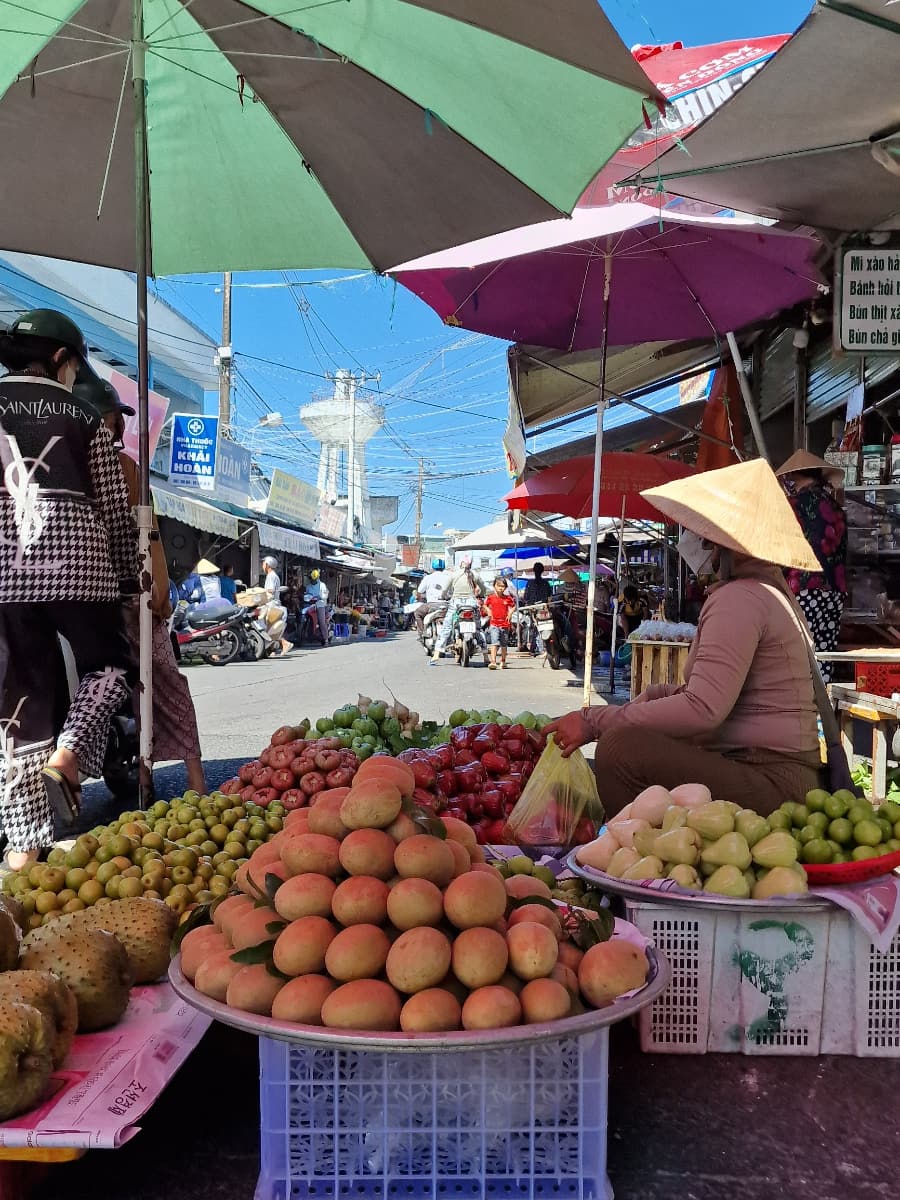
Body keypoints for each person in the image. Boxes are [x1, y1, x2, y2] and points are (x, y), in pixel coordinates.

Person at [546, 459, 824, 817]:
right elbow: (724, 695)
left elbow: (703, 711)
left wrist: (594, 721)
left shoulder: (741, 598)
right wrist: (658, 696)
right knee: (638, 734)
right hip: (776, 773)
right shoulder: (768, 593)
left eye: (704, 537)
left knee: (619, 750)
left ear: (723, 545)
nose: (695, 543)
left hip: (773, 781)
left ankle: (635, 859)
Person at [0, 310, 138, 868]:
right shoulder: (82, 414)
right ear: (62, 359)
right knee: (111, 667)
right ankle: (72, 753)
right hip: (78, 569)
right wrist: (128, 579)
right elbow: (113, 508)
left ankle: (22, 852)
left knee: (19, 707)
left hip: (5, 579)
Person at [73, 371, 206, 797]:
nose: (118, 425)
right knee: (151, 683)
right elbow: (143, 538)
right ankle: (186, 778)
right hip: (109, 598)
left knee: (159, 680)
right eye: (113, 417)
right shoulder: (103, 464)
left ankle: (193, 778)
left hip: (112, 596)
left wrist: (157, 592)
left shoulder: (116, 465)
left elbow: (146, 538)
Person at [775, 450, 848, 684]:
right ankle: (821, 712)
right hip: (835, 590)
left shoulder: (793, 504)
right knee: (823, 656)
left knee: (798, 655)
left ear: (795, 475)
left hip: (803, 586)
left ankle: (801, 709)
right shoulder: (836, 507)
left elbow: (783, 549)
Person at [430, 554, 486, 663]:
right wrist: (482, 594)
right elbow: (483, 588)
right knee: (478, 628)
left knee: (446, 627)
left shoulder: (454, 575)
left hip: (456, 603)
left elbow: (445, 589)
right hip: (472, 603)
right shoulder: (475, 574)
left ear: (460, 563)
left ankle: (436, 654)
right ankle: (486, 656)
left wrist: (442, 596)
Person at [262, 555, 293, 655]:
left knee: (269, 628)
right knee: (270, 629)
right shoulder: (272, 575)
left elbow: (270, 591)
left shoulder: (271, 576)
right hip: (272, 604)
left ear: (267, 565)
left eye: (263, 563)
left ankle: (284, 643)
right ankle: (271, 650)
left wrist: (261, 593)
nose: (262, 565)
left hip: (272, 604)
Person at [483, 576, 516, 669]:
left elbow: (513, 606)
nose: (501, 588)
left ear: (505, 588)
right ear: (494, 586)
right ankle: (493, 661)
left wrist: (510, 613)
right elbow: (485, 605)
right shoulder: (491, 598)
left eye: (503, 586)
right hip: (494, 624)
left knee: (504, 644)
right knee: (494, 643)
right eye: (499, 586)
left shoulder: (508, 598)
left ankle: (503, 661)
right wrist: (488, 611)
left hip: (505, 624)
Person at [415, 558, 449, 639]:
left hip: (431, 605)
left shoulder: (428, 578)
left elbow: (419, 591)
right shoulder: (448, 577)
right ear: (443, 567)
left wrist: (418, 598)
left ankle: (421, 634)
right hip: (446, 605)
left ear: (433, 567)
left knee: (417, 613)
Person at [304, 567, 330, 646]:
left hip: (320, 604)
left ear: (317, 578)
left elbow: (325, 595)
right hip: (310, 604)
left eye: (314, 579)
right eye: (312, 579)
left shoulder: (322, 585)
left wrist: (320, 597)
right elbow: (306, 594)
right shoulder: (308, 586)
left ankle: (325, 639)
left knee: (322, 621)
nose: (313, 581)